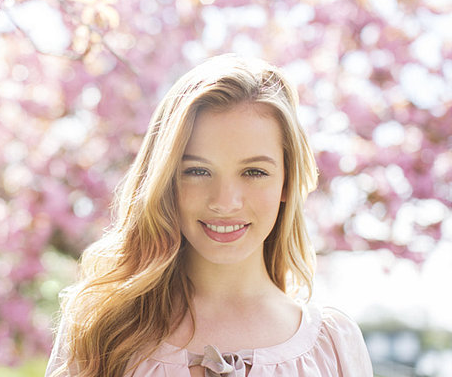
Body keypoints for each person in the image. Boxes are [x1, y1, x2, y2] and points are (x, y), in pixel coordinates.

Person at [45, 54, 373, 376]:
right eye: (199, 170)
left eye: (254, 172)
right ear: (166, 180)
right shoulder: (104, 331)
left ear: (287, 182)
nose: (225, 202)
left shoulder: (331, 346)